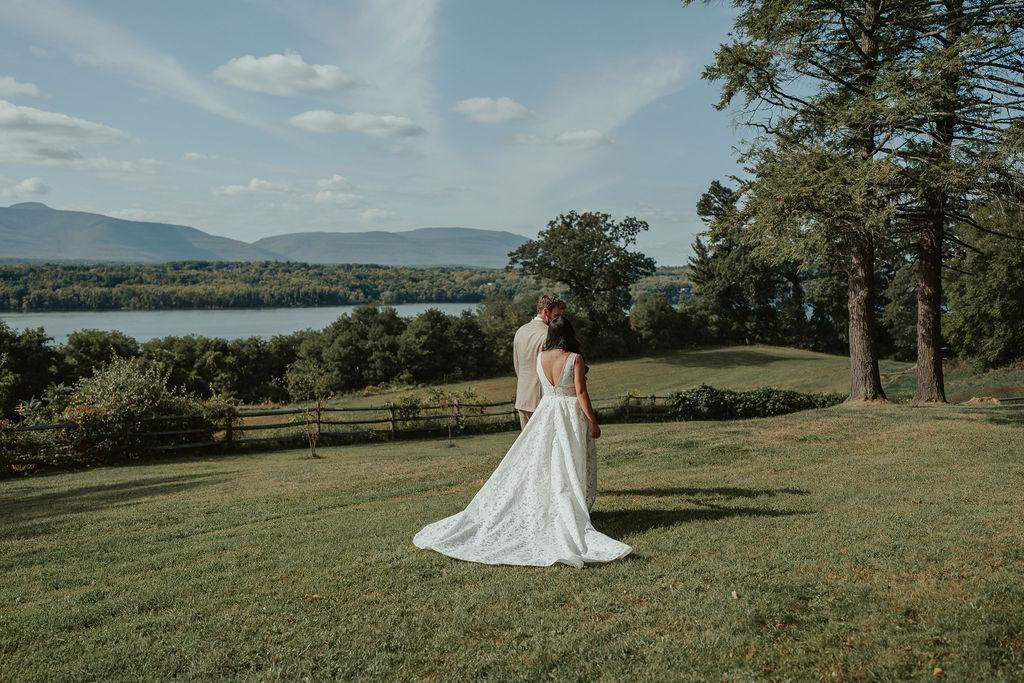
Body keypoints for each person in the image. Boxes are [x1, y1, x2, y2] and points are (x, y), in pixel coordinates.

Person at [412, 316, 632, 568]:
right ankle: (565, 510)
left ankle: (553, 506)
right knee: (568, 462)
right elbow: (580, 392)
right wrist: (593, 421)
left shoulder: (541, 357)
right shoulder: (574, 358)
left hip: (546, 411)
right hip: (568, 414)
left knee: (545, 462)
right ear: (569, 334)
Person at [512, 294, 565, 429]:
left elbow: (517, 366)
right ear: (546, 312)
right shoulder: (550, 333)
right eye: (556, 315)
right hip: (543, 400)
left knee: (528, 441)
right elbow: (556, 370)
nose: (559, 320)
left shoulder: (520, 331)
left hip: (523, 399)